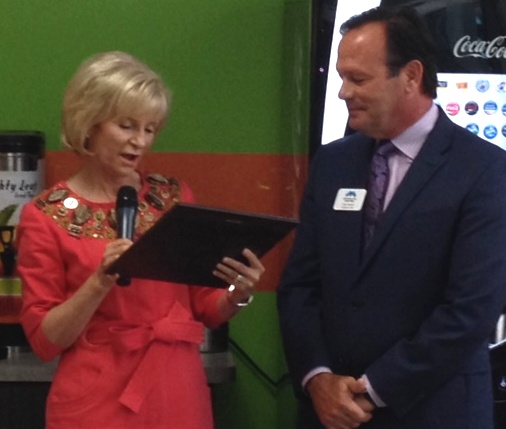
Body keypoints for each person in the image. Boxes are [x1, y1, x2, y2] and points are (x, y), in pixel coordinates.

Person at [277, 6, 506, 429]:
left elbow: (471, 310)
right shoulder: (332, 163)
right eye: (341, 77)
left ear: (411, 76)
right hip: (327, 412)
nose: (343, 92)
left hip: (434, 411)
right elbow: (300, 286)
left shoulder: (484, 170)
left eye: (358, 79)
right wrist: (318, 379)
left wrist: (372, 388)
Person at [17, 51, 265, 429]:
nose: (140, 141)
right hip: (95, 399)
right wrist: (98, 283)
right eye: (127, 126)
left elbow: (205, 305)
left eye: (150, 129)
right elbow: (45, 341)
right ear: (89, 123)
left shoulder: (174, 197)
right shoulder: (45, 216)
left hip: (179, 391)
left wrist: (237, 293)